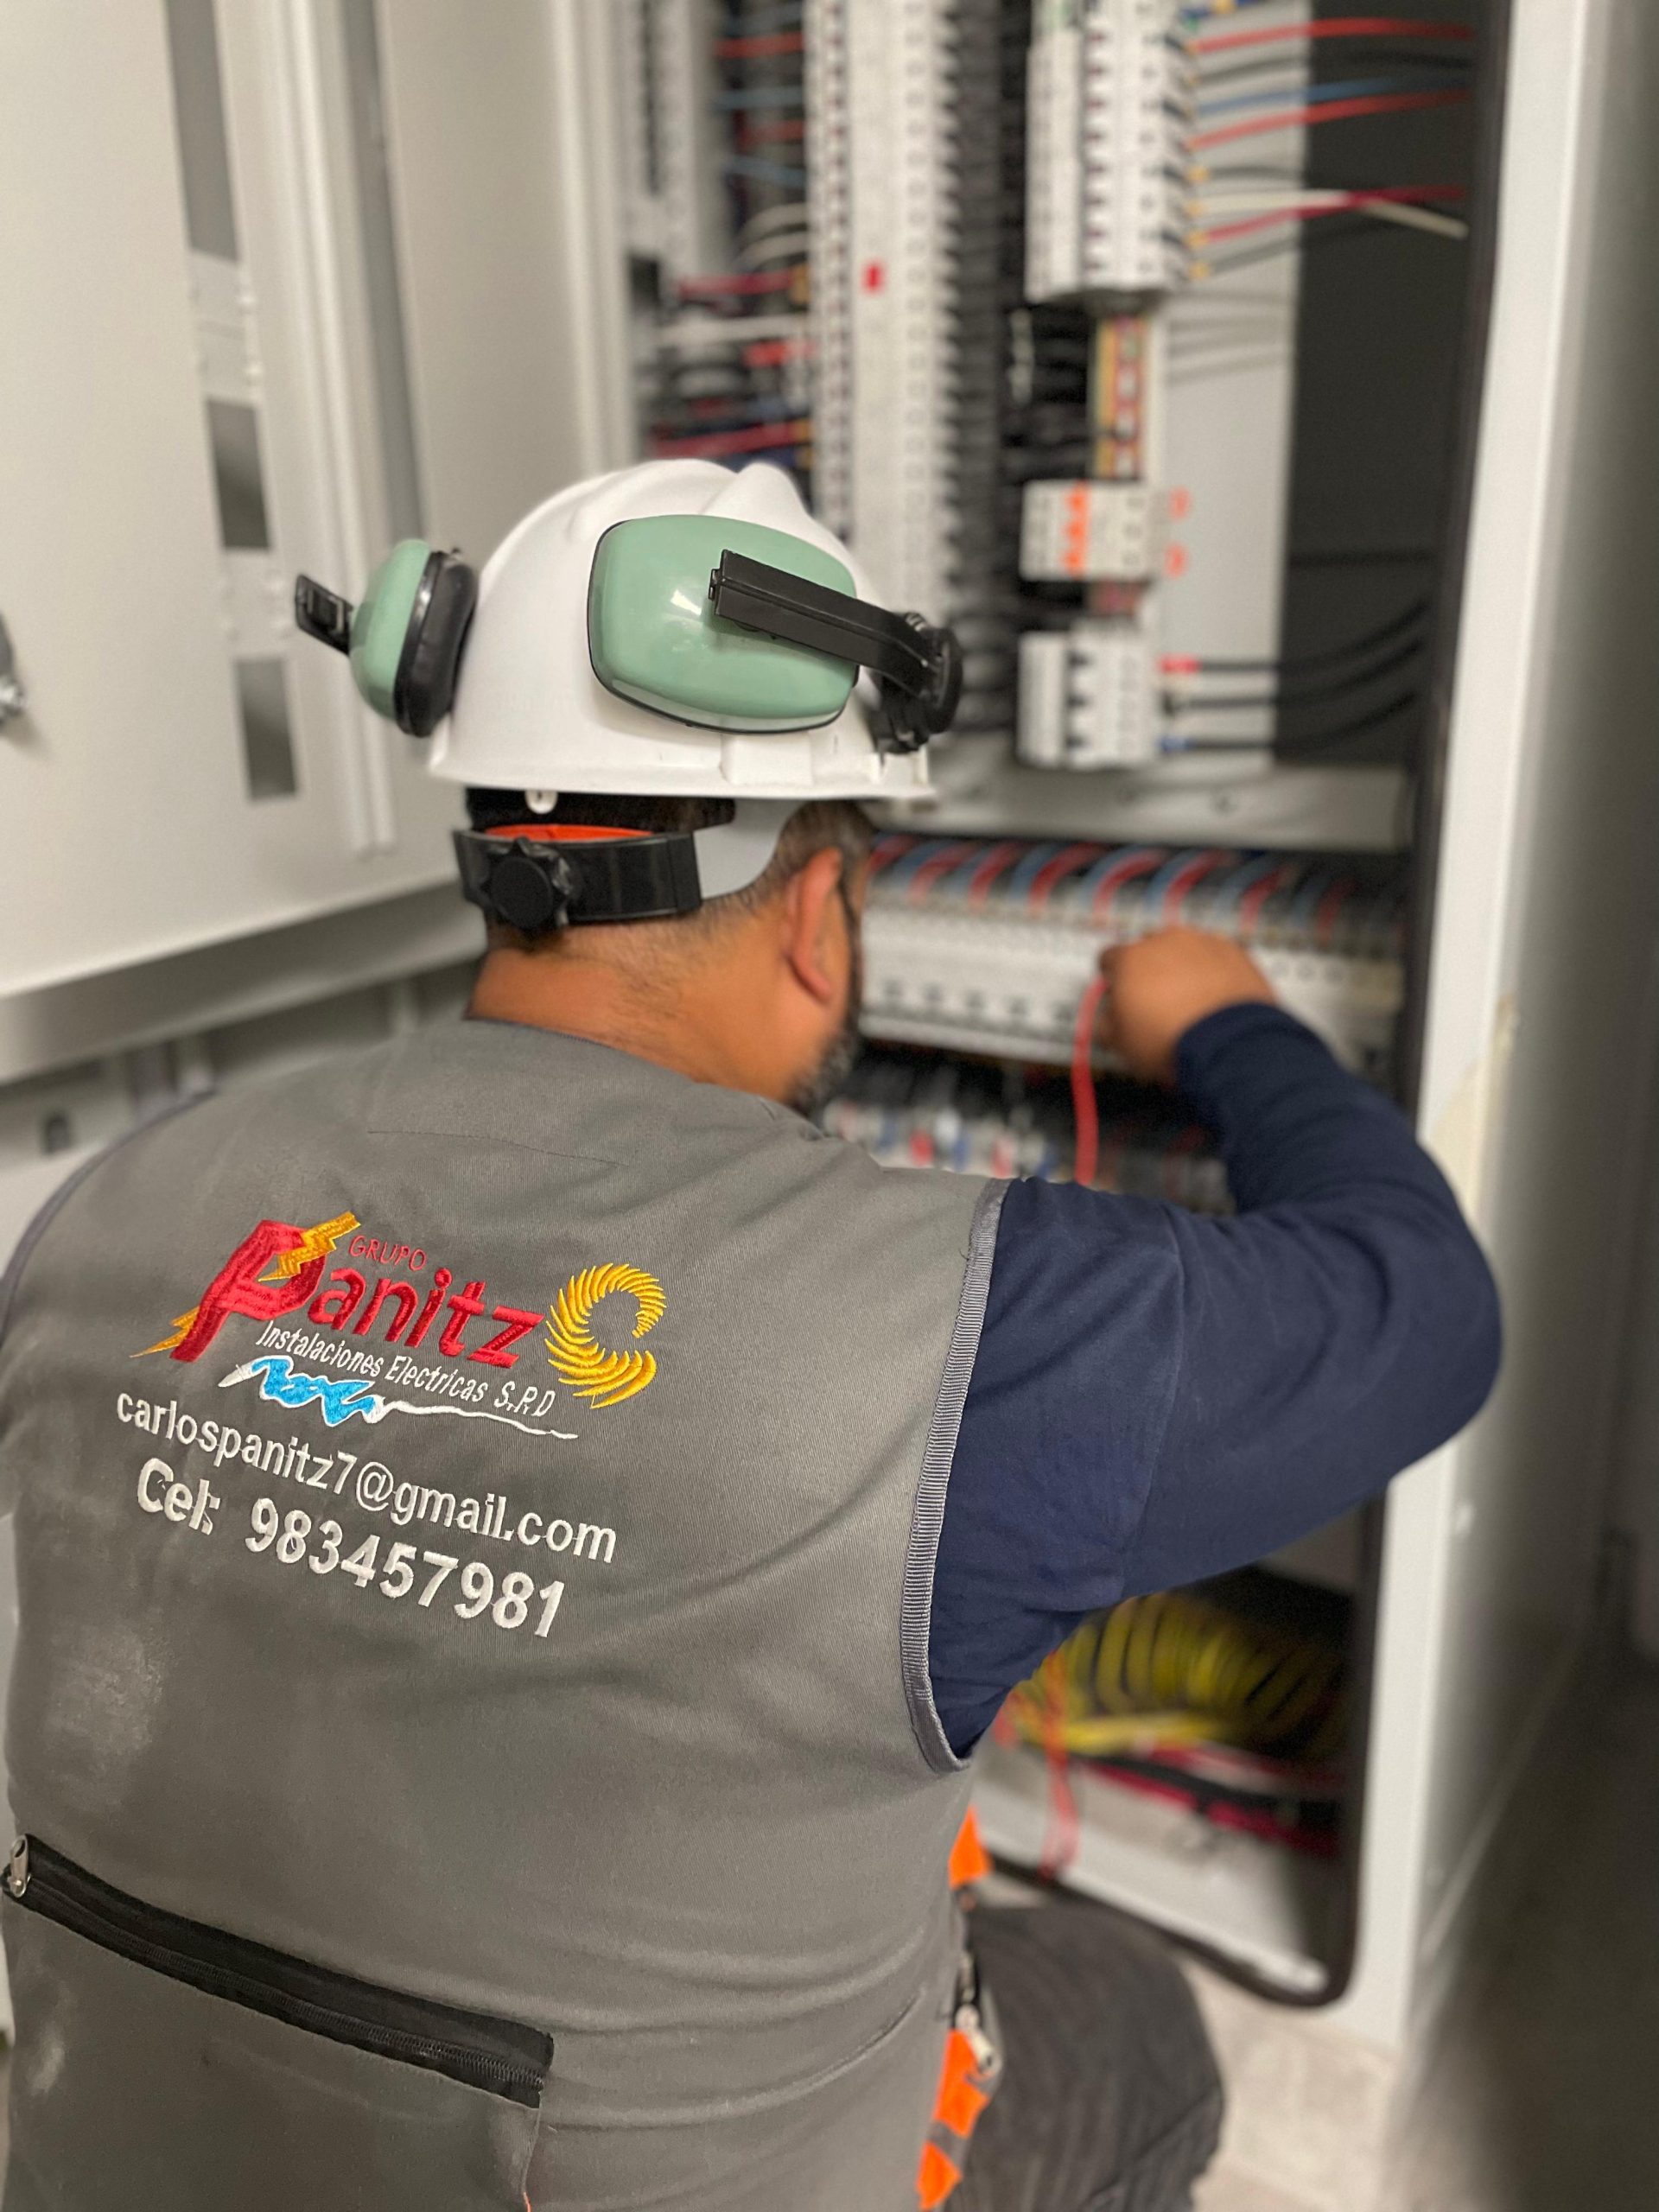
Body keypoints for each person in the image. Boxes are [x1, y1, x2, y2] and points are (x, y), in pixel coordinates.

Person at [0, 461, 1500, 2212]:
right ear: (813, 913)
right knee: (1133, 2015)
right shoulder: (985, 1338)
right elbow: (1424, 1302)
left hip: (113, 2147)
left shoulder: (111, 1205)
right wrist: (1228, 1020)